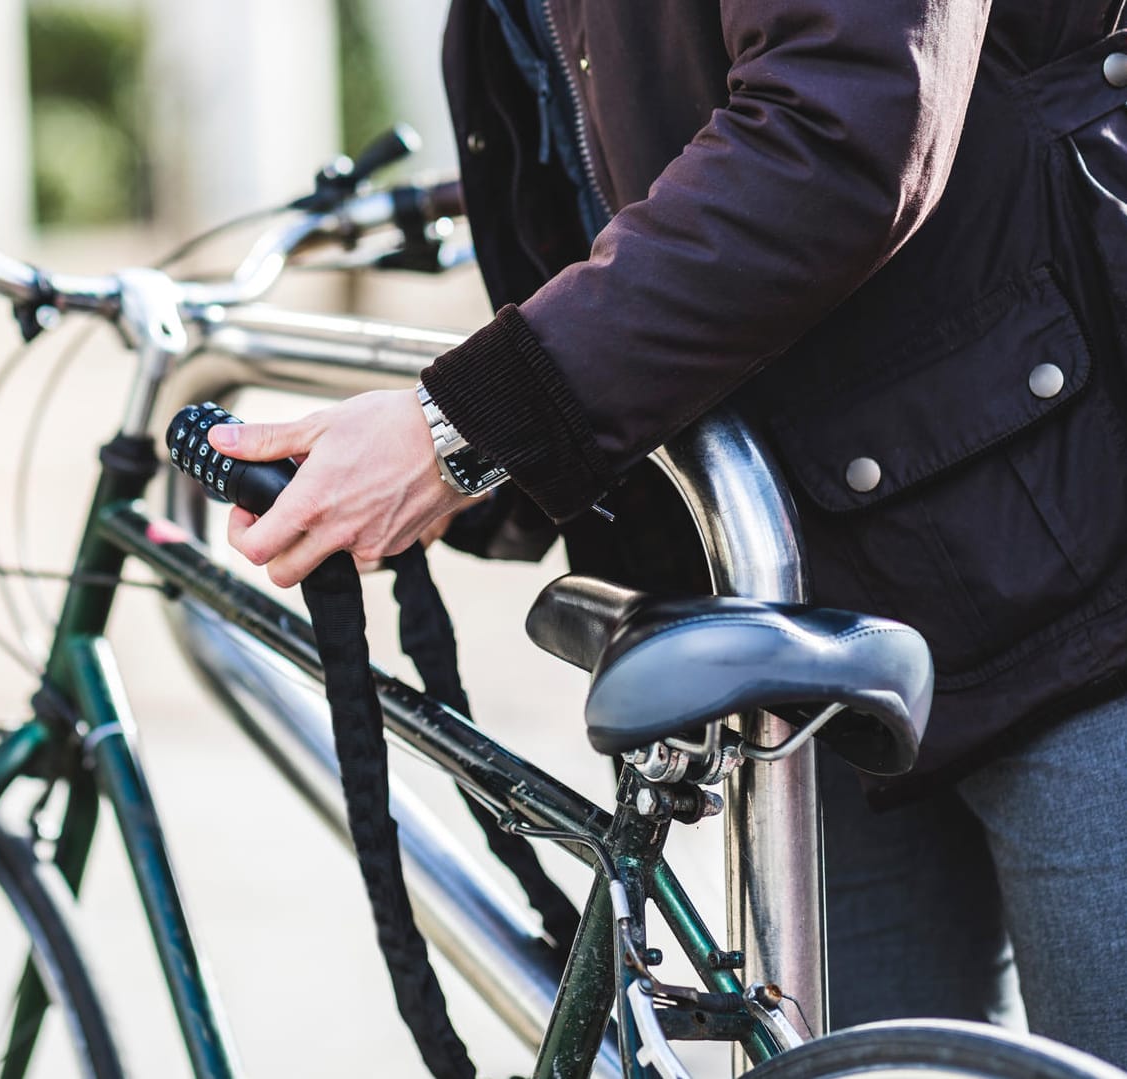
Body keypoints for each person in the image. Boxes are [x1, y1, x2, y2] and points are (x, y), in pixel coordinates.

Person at [208, 0, 1127, 1067]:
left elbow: (840, 118)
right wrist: (485, 458)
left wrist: (460, 430)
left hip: (1078, 551)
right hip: (824, 587)